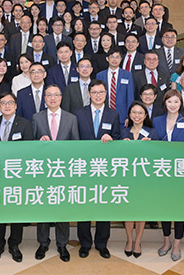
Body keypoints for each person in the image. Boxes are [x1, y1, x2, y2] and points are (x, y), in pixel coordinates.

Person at [32, 84, 79, 262]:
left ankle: (62, 243)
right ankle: (43, 243)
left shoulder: (71, 118)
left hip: (63, 171)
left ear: (61, 98)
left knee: (62, 208)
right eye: (49, 95)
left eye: (56, 95)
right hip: (43, 172)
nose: (52, 98)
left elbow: (76, 145)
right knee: (43, 207)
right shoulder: (36, 117)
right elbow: (31, 146)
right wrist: (39, 141)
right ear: (44, 98)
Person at [75, 79, 120, 259]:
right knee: (83, 205)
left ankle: (102, 243)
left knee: (103, 206)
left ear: (106, 93)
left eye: (101, 92)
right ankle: (85, 243)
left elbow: (117, 138)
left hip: (104, 168)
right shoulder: (78, 114)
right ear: (89, 94)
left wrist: (112, 138)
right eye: (94, 92)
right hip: (83, 167)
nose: (98, 95)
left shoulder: (113, 115)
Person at [0, 92, 34, 263]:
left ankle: (14, 244)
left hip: (18, 175)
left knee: (17, 211)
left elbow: (29, 150)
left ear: (15, 105)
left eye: (10, 103)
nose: (7, 106)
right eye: (3, 103)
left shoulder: (25, 124)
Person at [153, 89, 184, 262]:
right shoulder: (156, 121)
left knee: (179, 210)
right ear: (165, 103)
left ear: (181, 104)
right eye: (169, 101)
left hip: (180, 173)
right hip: (161, 172)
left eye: (176, 102)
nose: (172, 105)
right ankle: (166, 241)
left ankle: (177, 243)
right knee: (164, 208)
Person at [121, 101, 159, 258]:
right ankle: (129, 240)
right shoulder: (123, 133)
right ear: (130, 114)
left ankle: (138, 241)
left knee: (141, 211)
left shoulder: (152, 133)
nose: (137, 115)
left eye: (140, 113)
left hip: (144, 179)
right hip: (126, 178)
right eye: (134, 112)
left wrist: (150, 147)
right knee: (128, 211)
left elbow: (159, 158)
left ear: (145, 115)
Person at [96, 48, 134, 126]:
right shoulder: (100, 75)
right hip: (104, 115)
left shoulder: (127, 75)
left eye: (117, 57)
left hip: (122, 117)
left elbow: (130, 97)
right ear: (107, 59)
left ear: (121, 59)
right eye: (112, 57)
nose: (114, 59)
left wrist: (129, 116)